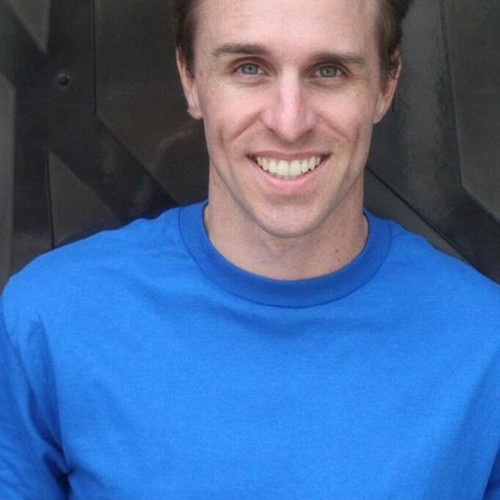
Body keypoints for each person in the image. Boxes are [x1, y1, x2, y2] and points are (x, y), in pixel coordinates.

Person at [1, 0, 499, 497]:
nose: (289, 122)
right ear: (190, 78)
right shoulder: (50, 321)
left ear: (386, 86)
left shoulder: (484, 344)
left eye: (329, 70)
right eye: (248, 67)